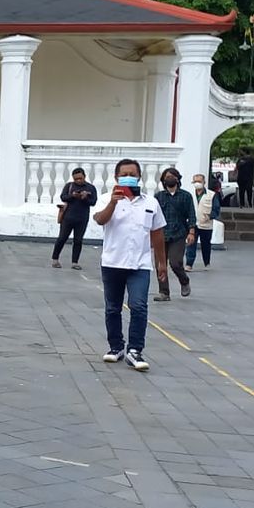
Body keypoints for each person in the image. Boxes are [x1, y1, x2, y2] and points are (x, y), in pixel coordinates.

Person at [94, 159, 168, 372]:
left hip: (140, 265)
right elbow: (100, 219)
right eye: (124, 173)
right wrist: (114, 203)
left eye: (132, 174)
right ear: (116, 178)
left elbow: (157, 233)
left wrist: (161, 263)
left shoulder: (150, 203)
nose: (129, 176)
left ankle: (135, 350)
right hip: (112, 262)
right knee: (113, 308)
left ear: (139, 177)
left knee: (138, 306)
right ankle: (116, 347)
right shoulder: (106, 199)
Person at [153, 167, 195, 301]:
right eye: (166, 177)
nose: (169, 179)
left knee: (176, 262)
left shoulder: (186, 196)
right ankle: (164, 292)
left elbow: (191, 215)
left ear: (177, 179)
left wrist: (192, 232)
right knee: (160, 264)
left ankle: (184, 281)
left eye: (172, 176)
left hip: (178, 234)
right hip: (161, 234)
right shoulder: (158, 197)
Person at [51, 167, 97, 270]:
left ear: (84, 176)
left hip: (82, 218)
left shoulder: (91, 188)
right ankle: (55, 259)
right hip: (68, 217)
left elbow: (93, 202)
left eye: (80, 178)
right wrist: (72, 196)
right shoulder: (69, 186)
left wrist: (85, 198)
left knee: (78, 240)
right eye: (76, 179)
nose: (78, 181)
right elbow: (63, 197)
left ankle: (75, 262)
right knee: (62, 238)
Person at [186, 173, 220, 271]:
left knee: (206, 245)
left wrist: (210, 216)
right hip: (192, 224)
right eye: (195, 181)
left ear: (204, 182)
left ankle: (207, 263)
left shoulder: (211, 195)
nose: (197, 184)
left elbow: (216, 209)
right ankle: (189, 264)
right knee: (191, 244)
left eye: (199, 181)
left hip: (206, 225)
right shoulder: (189, 195)